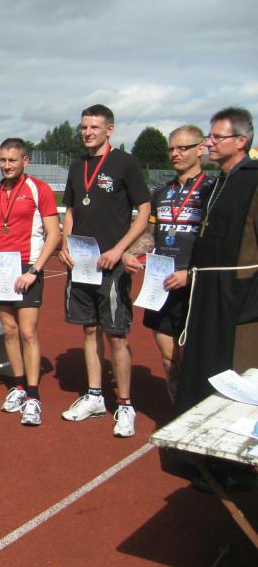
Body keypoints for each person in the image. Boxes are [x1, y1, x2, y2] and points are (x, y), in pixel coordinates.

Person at [58, 104, 150, 437]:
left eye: (94, 127)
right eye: (84, 127)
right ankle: (95, 396)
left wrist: (120, 250)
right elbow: (70, 210)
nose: (87, 133)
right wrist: (66, 244)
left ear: (109, 129)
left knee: (117, 334)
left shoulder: (125, 163)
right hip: (82, 263)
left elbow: (144, 211)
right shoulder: (76, 165)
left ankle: (124, 404)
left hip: (111, 263)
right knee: (89, 330)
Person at [176, 107, 258, 415]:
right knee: (202, 365)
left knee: (235, 369)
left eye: (216, 137)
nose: (208, 142)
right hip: (206, 292)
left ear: (240, 141)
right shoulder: (217, 182)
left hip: (238, 295)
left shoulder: (254, 180)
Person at [122, 126, 213, 404]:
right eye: (171, 148)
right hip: (160, 283)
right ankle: (178, 410)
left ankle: (196, 410)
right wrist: (130, 253)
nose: (175, 153)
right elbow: (151, 235)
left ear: (200, 149)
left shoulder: (212, 191)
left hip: (194, 284)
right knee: (168, 357)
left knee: (194, 358)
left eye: (183, 148)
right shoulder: (161, 192)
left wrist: (190, 273)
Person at [0, 138, 61, 425]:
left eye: (12, 160)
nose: (6, 165)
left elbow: (54, 234)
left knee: (28, 332)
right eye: (2, 160)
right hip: (0, 268)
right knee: (9, 330)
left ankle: (33, 396)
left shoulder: (40, 189)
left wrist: (34, 271)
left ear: (25, 161)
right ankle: (18, 386)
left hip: (27, 266)